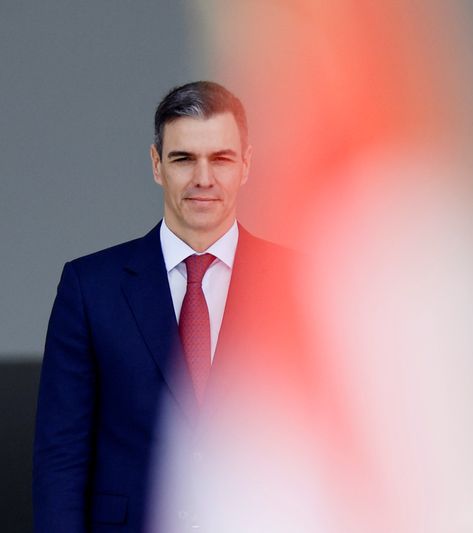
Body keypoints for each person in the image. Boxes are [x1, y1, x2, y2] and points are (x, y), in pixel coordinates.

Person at [33, 81, 301, 532]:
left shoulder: (299, 285)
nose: (203, 178)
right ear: (157, 165)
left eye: (221, 158)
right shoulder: (90, 287)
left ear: (247, 165)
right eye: (183, 159)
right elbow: (61, 456)